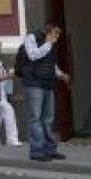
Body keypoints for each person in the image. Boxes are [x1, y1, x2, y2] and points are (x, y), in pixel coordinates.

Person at [16, 23, 70, 162]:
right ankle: (37, 150)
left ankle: (49, 149)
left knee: (47, 118)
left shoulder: (50, 44)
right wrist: (48, 44)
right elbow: (33, 55)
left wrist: (61, 74)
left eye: (58, 35)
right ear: (47, 32)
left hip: (47, 83)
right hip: (33, 83)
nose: (56, 38)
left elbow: (50, 63)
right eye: (55, 34)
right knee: (35, 118)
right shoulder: (32, 37)